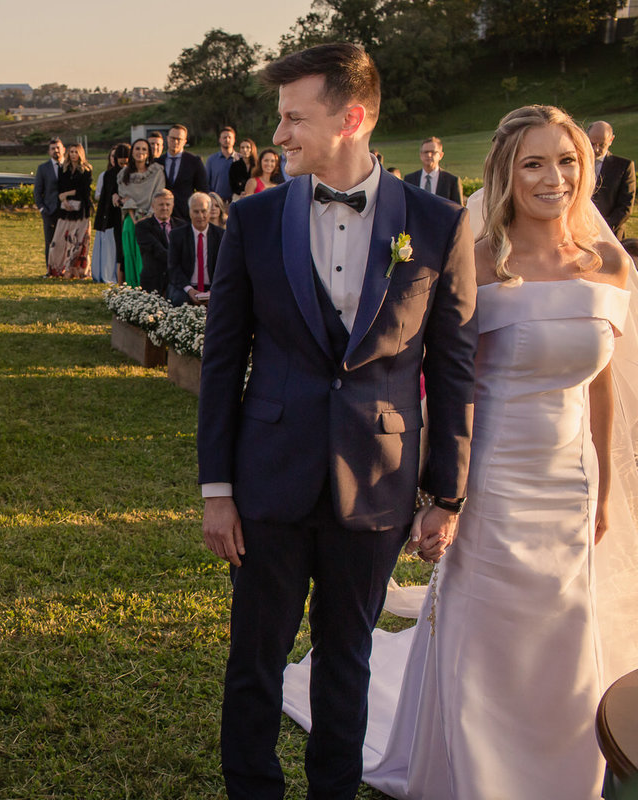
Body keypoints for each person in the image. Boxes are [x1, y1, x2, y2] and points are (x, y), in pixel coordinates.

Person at [284, 105, 638, 800]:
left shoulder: (610, 263)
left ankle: (562, 775)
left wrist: (600, 492)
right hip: (492, 479)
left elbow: (601, 389)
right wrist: (443, 491)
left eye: (566, 161)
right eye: (534, 163)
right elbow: (450, 387)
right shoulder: (478, 263)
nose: (554, 178)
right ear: (506, 174)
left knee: (564, 632)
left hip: (568, 480)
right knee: (486, 631)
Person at [197, 42, 477, 800]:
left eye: (294, 117)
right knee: (255, 658)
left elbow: (451, 367)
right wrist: (216, 488)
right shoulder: (253, 220)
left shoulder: (438, 222)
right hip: (268, 479)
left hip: (381, 484)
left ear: (350, 118)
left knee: (347, 660)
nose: (278, 133)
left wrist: (445, 491)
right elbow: (223, 363)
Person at [115, 139, 166, 286]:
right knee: (130, 255)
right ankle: (132, 288)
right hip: (130, 220)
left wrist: (146, 217)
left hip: (150, 219)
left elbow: (158, 195)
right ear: (132, 152)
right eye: (137, 149)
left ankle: (147, 290)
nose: (140, 152)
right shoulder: (123, 174)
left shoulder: (157, 172)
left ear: (149, 153)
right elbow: (125, 198)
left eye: (144, 149)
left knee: (145, 256)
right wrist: (135, 217)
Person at [168, 192, 223, 306]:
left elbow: (225, 266)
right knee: (179, 300)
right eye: (196, 211)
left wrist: (213, 290)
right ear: (189, 212)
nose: (200, 216)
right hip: (186, 285)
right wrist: (190, 290)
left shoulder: (221, 235)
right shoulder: (177, 235)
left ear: (209, 211)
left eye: (203, 211)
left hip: (213, 285)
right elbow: (173, 267)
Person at [47, 143, 94, 279]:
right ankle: (59, 269)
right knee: (59, 241)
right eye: (71, 152)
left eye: (76, 152)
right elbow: (60, 188)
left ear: (80, 154)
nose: (73, 154)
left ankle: (77, 270)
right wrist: (64, 200)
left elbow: (85, 190)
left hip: (81, 210)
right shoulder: (64, 169)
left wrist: (67, 194)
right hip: (65, 210)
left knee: (79, 242)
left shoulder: (86, 170)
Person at [589, 120, 636, 237]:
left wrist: (603, 229)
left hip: (611, 234)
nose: (596, 149)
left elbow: (625, 206)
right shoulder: (574, 163)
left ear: (611, 140)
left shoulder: (624, 166)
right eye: (592, 144)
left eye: (601, 145)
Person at [92, 143, 128, 283]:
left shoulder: (132, 173)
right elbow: (104, 199)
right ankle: (117, 279)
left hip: (128, 215)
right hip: (113, 217)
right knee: (117, 249)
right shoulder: (108, 175)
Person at [162, 124, 209, 224]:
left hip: (185, 215)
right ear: (167, 138)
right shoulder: (158, 162)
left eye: (179, 139)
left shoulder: (194, 162)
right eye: (172, 138)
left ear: (185, 141)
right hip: (162, 213)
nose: (175, 142)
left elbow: (203, 190)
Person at [134, 190, 177, 296]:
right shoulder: (142, 227)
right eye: (161, 204)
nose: (165, 208)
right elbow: (156, 249)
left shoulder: (182, 226)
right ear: (153, 206)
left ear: (173, 205)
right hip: (153, 281)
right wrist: (178, 261)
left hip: (176, 280)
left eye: (168, 204)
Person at [403, 136, 464, 205]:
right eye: (425, 152)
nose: (429, 155)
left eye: (433, 152)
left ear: (440, 155)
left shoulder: (451, 181)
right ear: (420, 155)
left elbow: (459, 211)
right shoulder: (409, 180)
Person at [34, 138, 66, 265]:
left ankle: (64, 267)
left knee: (65, 240)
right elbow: (37, 191)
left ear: (63, 150)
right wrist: (42, 208)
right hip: (49, 210)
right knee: (50, 241)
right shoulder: (43, 168)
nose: (56, 151)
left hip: (66, 210)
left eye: (58, 148)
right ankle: (50, 268)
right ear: (49, 151)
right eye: (53, 148)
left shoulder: (69, 166)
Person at [206, 127, 240, 200]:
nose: (227, 140)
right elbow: (206, 183)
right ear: (220, 140)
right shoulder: (212, 160)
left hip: (236, 201)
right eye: (224, 137)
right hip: (217, 202)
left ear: (234, 140)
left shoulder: (240, 159)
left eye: (229, 137)